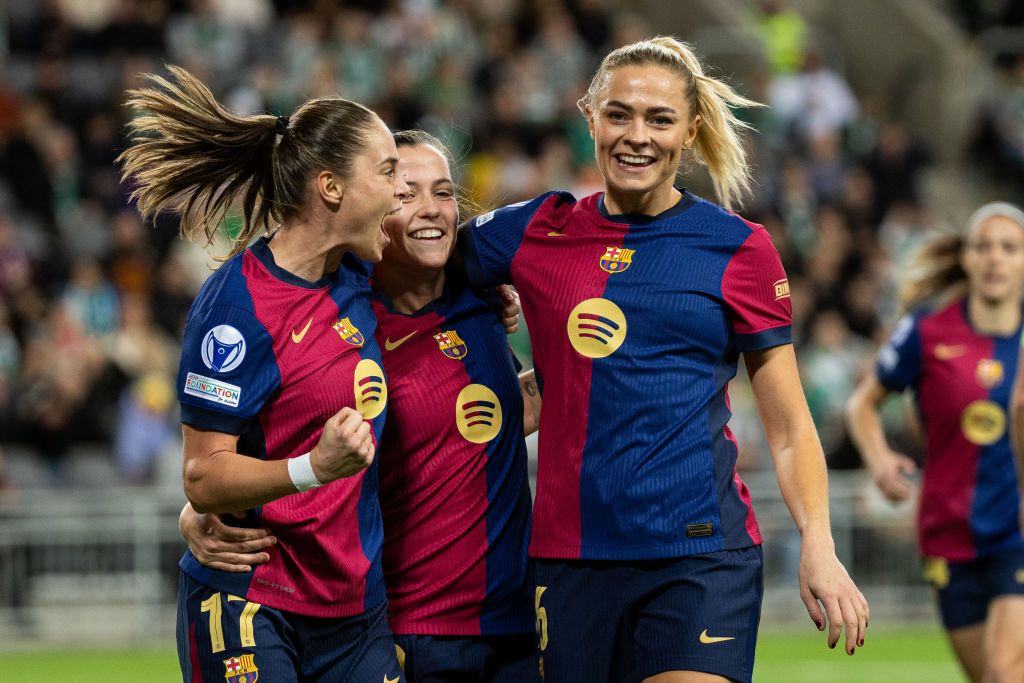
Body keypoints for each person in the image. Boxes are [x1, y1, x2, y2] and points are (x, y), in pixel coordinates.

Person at [457, 36, 868, 683]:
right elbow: (410, 278)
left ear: (691, 130)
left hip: (701, 555)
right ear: (588, 114)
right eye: (618, 113)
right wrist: (486, 327)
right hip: (569, 557)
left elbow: (789, 429)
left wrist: (818, 542)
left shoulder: (740, 250)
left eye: (659, 118)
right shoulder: (533, 230)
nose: (635, 136)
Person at [179, 131, 542, 682]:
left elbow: (500, 417)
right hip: (401, 625)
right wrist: (198, 508)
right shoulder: (343, 302)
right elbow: (245, 438)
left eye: (444, 193)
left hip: (507, 624)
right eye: (402, 191)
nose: (429, 209)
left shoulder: (480, 294)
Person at [117, 65, 408, 683]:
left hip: (355, 612)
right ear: (331, 187)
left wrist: (498, 299)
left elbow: (455, 256)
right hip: (252, 598)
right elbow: (203, 475)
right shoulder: (235, 311)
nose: (400, 189)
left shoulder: (359, 276)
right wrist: (313, 468)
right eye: (386, 171)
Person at [848, 202, 1024, 683]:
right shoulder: (927, 331)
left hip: (1017, 531)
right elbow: (862, 404)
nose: (995, 259)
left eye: (1009, 248)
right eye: (983, 247)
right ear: (965, 257)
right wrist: (880, 458)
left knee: (1008, 673)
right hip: (948, 532)